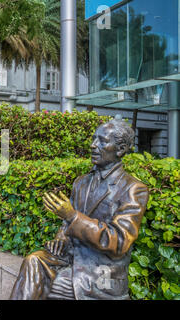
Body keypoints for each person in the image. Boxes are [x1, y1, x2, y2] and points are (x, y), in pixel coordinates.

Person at [10, 119, 149, 300]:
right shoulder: (81, 182)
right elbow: (67, 224)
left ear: (120, 149)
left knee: (43, 279)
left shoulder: (133, 188)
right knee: (33, 260)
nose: (93, 145)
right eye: (93, 139)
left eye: (102, 141)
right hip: (72, 258)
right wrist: (61, 237)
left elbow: (119, 241)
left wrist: (72, 215)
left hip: (102, 271)